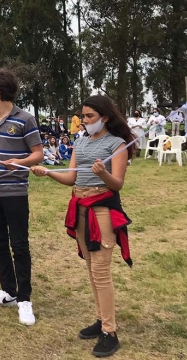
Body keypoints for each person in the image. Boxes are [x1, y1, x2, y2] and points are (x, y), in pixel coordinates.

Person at [31, 95, 133, 358]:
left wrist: (103, 174)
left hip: (102, 210)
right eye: (83, 116)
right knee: (90, 266)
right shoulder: (81, 141)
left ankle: (110, 331)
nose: (84, 121)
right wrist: (49, 172)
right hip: (80, 208)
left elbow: (117, 184)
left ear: (105, 117)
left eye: (89, 117)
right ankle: (101, 320)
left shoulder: (117, 144)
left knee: (100, 271)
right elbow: (71, 177)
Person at [0, 67, 43, 326]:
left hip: (14, 192)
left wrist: (20, 162)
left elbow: (38, 154)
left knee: (19, 245)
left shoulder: (25, 119)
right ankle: (8, 291)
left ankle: (24, 299)